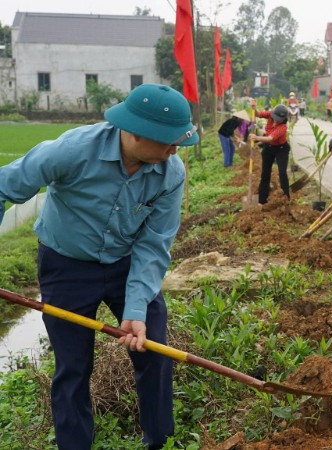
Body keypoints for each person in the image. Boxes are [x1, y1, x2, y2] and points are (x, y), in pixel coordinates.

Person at [0, 83, 197, 449]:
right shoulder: (72, 150)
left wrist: (136, 308)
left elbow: (153, 245)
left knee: (152, 349)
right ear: (137, 133)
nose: (175, 150)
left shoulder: (171, 172)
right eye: (169, 142)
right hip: (67, 266)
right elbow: (4, 186)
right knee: (73, 368)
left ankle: (160, 442)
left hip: (127, 264)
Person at [249, 102, 291, 204]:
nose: (275, 120)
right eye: (275, 118)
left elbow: (269, 138)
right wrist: (254, 108)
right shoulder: (271, 114)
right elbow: (259, 114)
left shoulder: (283, 127)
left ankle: (286, 198)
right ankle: (262, 200)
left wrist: (256, 138)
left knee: (282, 173)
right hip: (269, 148)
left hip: (281, 149)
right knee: (265, 173)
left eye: (278, 120)